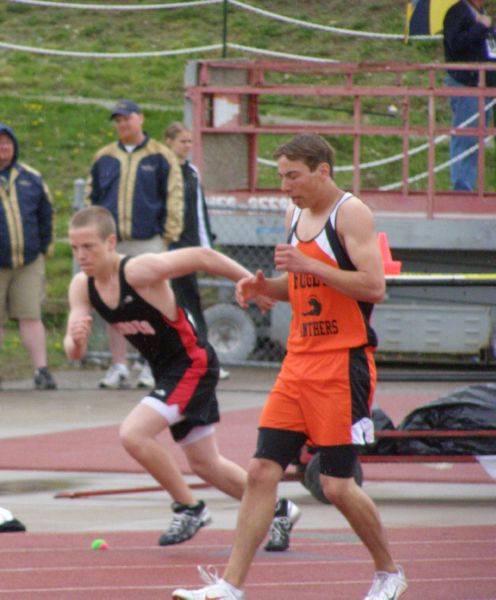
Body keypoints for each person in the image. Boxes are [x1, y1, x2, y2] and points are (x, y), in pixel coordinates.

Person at [173, 134, 406, 600]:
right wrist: (265, 288)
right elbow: (299, 283)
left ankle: (388, 573)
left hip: (342, 361)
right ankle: (230, 585)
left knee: (337, 485)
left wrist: (308, 265)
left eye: (293, 175)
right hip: (298, 361)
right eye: (280, 176)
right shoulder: (294, 213)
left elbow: (373, 286)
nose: (285, 186)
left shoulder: (351, 212)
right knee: (262, 471)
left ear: (322, 171)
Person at [64, 205, 299, 549]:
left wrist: (252, 283)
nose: (81, 255)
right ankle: (279, 509)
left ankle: (189, 507)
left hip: (193, 363)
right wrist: (77, 338)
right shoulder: (83, 287)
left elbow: (203, 256)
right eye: (74, 249)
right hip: (168, 372)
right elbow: (74, 352)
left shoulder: (140, 270)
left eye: (89, 247)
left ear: (111, 242)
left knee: (133, 433)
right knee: (206, 464)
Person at [86, 100, 184, 390]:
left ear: (140, 119)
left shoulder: (161, 156)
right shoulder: (103, 157)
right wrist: (94, 237)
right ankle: (119, 364)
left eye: (127, 118)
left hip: (148, 240)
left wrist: (167, 235)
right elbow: (92, 199)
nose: (122, 124)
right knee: (113, 302)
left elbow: (174, 196)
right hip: (111, 243)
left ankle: (152, 363)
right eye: (117, 120)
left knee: (152, 301)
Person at [0, 123, 57, 391]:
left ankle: (41, 370)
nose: (4, 148)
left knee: (30, 315)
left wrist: (45, 247)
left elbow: (46, 214)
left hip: (28, 262)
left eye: (8, 143)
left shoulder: (31, 177)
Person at [164, 122, 229, 380]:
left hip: (187, 247)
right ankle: (157, 363)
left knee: (190, 302)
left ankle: (205, 358)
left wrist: (205, 249)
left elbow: (199, 214)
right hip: (165, 248)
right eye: (183, 141)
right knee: (162, 305)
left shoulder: (191, 172)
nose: (187, 147)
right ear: (169, 142)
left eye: (190, 142)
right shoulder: (162, 169)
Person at [443, 0, 496, 191]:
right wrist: (480, 27)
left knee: (477, 140)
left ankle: (469, 185)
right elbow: (455, 44)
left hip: (485, 86)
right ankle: (462, 188)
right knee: (466, 137)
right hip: (467, 84)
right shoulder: (457, 12)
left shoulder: (482, 12)